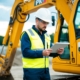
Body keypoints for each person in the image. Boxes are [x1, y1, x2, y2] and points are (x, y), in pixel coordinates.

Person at [21, 8, 64, 80]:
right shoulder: (27, 34)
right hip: (32, 73)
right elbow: (25, 52)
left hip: (45, 72)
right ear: (37, 20)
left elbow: (48, 52)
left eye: (47, 23)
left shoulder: (46, 35)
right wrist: (41, 53)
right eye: (44, 22)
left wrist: (57, 52)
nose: (46, 25)